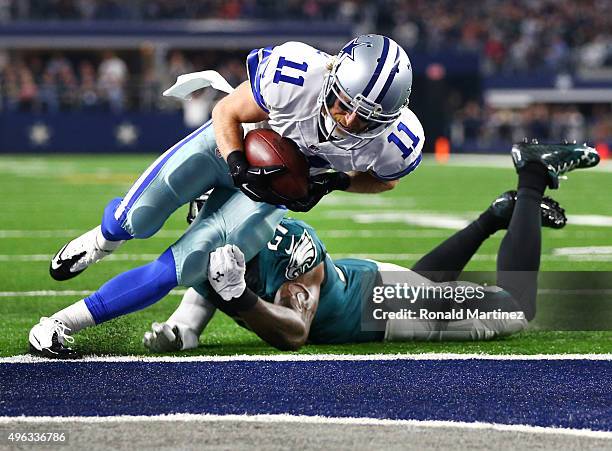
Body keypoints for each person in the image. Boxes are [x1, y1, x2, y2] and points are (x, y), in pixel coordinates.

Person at [40, 36, 423, 349]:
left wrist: (335, 181)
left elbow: (387, 178)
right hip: (231, 145)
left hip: (270, 194)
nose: (351, 120)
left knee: (183, 265)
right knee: (136, 217)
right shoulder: (298, 74)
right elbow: (226, 112)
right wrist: (237, 164)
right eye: (346, 103)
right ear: (334, 75)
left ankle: (62, 323)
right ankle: (102, 240)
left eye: (368, 117)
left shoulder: (396, 141)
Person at [143, 142, 596, 351]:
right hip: (366, 287)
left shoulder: (290, 243)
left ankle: (533, 172)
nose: (203, 226)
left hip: (381, 306)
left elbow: (295, 332)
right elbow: (190, 319)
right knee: (424, 286)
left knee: (514, 308)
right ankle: (495, 216)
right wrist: (174, 334)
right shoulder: (220, 258)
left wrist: (239, 295)